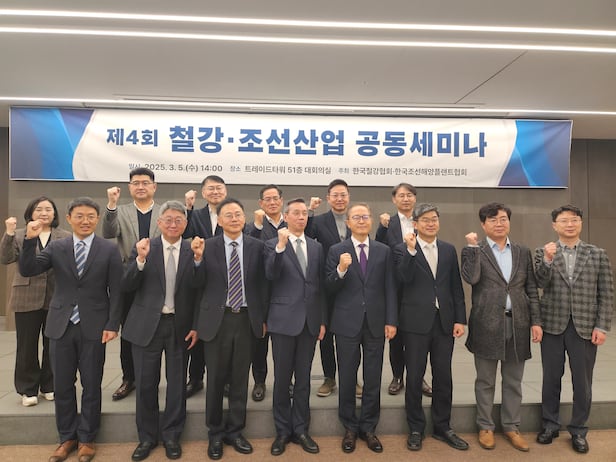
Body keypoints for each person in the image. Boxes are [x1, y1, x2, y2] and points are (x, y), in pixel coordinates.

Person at [19, 197, 123, 462]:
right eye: (79, 216)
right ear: (68, 218)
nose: (85, 221)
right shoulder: (57, 247)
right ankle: (66, 438)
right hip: (61, 325)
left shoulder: (109, 249)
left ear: (97, 219)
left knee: (92, 384)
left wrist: (113, 324)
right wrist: (30, 239)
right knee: (63, 385)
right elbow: (28, 269)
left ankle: (87, 438)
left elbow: (117, 290)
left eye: (90, 216)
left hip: (95, 326)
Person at [122, 201, 203, 461]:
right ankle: (147, 437)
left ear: (185, 224)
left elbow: (201, 291)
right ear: (159, 223)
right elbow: (126, 285)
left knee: (177, 384)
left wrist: (196, 326)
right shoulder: (145, 247)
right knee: (146, 383)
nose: (173, 224)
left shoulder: (194, 249)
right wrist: (140, 260)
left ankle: (171, 436)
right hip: (147, 325)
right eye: (168, 219)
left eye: (178, 220)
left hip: (180, 326)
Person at [461, 202, 542, 452]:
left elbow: (531, 288)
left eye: (503, 218)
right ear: (483, 224)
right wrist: (472, 248)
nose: (499, 223)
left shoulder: (521, 251)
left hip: (518, 323)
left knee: (513, 380)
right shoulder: (475, 250)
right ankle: (485, 426)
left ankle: (511, 426)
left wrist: (536, 321)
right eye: (493, 219)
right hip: (486, 323)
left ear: (509, 221)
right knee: (485, 380)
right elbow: (471, 278)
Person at [534, 205, 614, 454]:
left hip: (585, 327)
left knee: (582, 382)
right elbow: (539, 282)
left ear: (580, 223)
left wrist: (602, 325)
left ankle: (579, 430)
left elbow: (606, 293)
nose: (570, 224)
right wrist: (547, 260)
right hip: (552, 326)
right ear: (554, 225)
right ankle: (550, 425)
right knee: (550, 379)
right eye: (564, 220)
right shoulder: (543, 252)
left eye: (574, 220)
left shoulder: (597, 254)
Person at [194, 198, 267, 461]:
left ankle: (235, 431)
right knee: (215, 379)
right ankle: (214, 433)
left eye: (238, 214)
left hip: (246, 319)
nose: (234, 218)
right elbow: (197, 284)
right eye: (228, 215)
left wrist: (263, 317)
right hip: (218, 319)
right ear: (220, 220)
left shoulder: (257, 247)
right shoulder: (207, 246)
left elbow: (263, 284)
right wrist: (197, 260)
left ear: (244, 218)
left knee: (239, 378)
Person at [394, 203, 468, 452]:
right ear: (415, 224)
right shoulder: (402, 249)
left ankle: (443, 426)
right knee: (415, 376)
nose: (430, 223)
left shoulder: (448, 249)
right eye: (425, 220)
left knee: (443, 376)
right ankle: (416, 427)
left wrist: (460, 319)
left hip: (444, 322)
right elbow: (402, 278)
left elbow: (455, 286)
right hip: (415, 323)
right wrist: (411, 251)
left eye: (434, 219)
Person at [325, 203, 397, 454]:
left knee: (373, 376)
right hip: (346, 323)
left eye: (365, 216)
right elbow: (329, 287)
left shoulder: (383, 250)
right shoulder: (336, 250)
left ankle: (368, 427)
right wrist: (340, 270)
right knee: (346, 376)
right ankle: (349, 427)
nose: (362, 220)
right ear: (348, 223)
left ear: (371, 220)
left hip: (376, 323)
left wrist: (391, 320)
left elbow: (390, 287)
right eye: (356, 217)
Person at [264, 198, 326, 456]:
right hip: (283, 321)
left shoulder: (316, 246)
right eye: (296, 213)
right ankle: (282, 431)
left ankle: (301, 429)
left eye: (304, 213)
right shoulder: (271, 244)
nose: (301, 217)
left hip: (309, 322)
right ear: (286, 217)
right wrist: (280, 246)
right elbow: (270, 274)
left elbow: (319, 286)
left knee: (303, 379)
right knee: (281, 380)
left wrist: (321, 320)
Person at [1, 196, 71, 407]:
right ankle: (28, 389)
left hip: (56, 296)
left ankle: (50, 385)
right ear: (30, 213)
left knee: (53, 345)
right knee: (26, 346)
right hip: (26, 296)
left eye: (48, 209)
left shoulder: (65, 236)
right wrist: (9, 233)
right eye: (39, 209)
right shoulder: (19, 234)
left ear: (55, 213)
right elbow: (5, 258)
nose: (44, 213)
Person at [103, 167, 161, 401]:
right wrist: (111, 204)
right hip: (128, 275)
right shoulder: (121, 210)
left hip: (157, 277)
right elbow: (108, 232)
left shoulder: (164, 211)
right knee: (128, 330)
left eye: (145, 182)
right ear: (129, 187)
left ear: (154, 186)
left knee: (158, 329)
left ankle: (152, 378)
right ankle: (129, 378)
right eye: (136, 183)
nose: (141, 186)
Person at [375, 183, 432, 397]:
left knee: (420, 337)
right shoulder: (387, 223)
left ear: (415, 198)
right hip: (395, 286)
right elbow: (379, 248)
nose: (406, 199)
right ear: (394, 199)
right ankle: (397, 376)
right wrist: (381, 228)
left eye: (409, 195)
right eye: (401, 195)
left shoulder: (424, 222)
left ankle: (418, 377)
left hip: (420, 285)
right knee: (396, 335)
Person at [305, 178, 354, 399]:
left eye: (343, 195)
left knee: (351, 335)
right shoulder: (319, 220)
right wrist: (310, 211)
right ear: (328, 198)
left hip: (351, 284)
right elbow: (305, 236)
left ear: (348, 197)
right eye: (335, 195)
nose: (340, 199)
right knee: (326, 336)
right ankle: (329, 378)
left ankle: (351, 379)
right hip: (326, 284)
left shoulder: (356, 219)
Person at [182, 175, 227, 398]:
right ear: (203, 193)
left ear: (225, 191)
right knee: (198, 329)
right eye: (211, 188)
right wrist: (188, 208)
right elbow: (185, 234)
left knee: (224, 334)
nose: (215, 192)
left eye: (219, 188)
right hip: (199, 276)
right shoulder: (196, 215)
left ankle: (224, 381)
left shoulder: (231, 214)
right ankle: (196, 378)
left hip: (224, 280)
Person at [245, 184, 287, 402]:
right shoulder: (253, 226)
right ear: (261, 203)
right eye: (267, 199)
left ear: (281, 200)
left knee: (285, 342)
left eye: (275, 198)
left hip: (285, 289)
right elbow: (248, 249)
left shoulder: (291, 224)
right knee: (259, 341)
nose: (272, 202)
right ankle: (259, 381)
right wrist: (257, 226)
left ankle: (285, 382)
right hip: (260, 290)